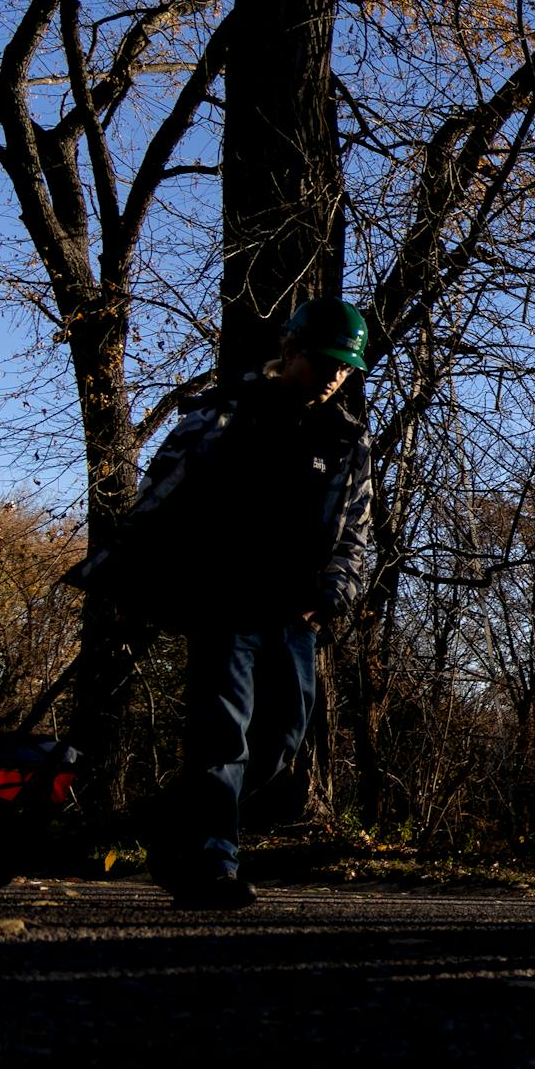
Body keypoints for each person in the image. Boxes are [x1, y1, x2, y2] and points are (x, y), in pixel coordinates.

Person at [69, 298, 375, 910]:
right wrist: (122, 569)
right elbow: (164, 488)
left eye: (347, 366)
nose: (337, 375)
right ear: (290, 352)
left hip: (295, 614)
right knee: (222, 734)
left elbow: (357, 534)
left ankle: (166, 824)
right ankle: (212, 865)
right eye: (325, 361)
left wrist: (331, 595)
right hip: (224, 600)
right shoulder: (226, 413)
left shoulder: (344, 439)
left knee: (281, 742)